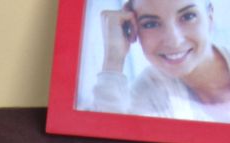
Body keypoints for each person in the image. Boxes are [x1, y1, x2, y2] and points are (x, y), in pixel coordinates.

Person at [93, 0, 230, 120]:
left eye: (188, 16)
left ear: (210, 16)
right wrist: (113, 58)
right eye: (151, 24)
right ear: (133, 29)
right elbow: (107, 142)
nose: (174, 41)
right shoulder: (149, 92)